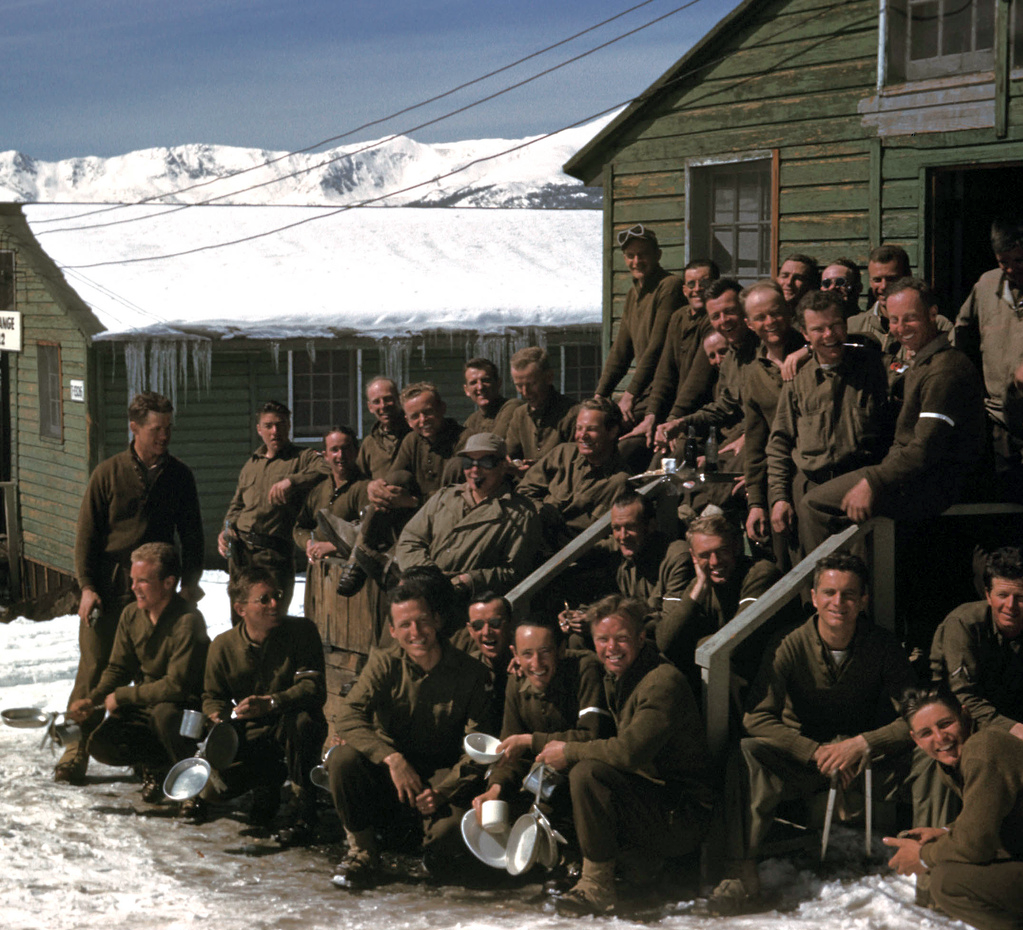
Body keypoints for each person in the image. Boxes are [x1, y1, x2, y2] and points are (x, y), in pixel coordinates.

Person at [710, 552, 915, 913]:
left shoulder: (882, 645)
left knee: (931, 752)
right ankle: (740, 874)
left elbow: (915, 717)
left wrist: (863, 743)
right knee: (748, 752)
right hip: (806, 762)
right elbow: (757, 717)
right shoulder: (789, 642)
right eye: (830, 592)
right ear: (814, 597)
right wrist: (815, 750)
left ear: (864, 599)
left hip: (864, 761)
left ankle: (931, 862)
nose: (839, 602)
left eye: (850, 594)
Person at [58, 391, 204, 785]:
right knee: (96, 670)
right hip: (109, 590)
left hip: (159, 591)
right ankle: (77, 750)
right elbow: (86, 537)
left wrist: (189, 585)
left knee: (152, 674)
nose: (164, 436)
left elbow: (192, 536)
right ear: (134, 428)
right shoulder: (108, 473)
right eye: (157, 429)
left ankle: (148, 755)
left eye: (169, 428)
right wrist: (87, 588)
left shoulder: (179, 476)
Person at [535, 595, 715, 915]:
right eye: (602, 640)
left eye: (621, 638)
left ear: (641, 638)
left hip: (683, 816)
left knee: (586, 772)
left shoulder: (662, 681)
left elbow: (630, 752)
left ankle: (597, 884)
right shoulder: (619, 674)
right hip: (652, 802)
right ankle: (621, 866)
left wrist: (569, 751)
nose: (611, 648)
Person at [328, 570, 492, 889]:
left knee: (451, 836)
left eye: (422, 621)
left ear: (437, 621)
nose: (415, 632)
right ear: (392, 630)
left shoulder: (470, 673)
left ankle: (426, 839)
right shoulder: (384, 663)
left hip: (440, 775)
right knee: (342, 759)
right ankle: (362, 850)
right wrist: (391, 758)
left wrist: (442, 792)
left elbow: (478, 747)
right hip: (391, 773)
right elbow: (348, 715)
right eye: (404, 625)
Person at [800, 278, 985, 551]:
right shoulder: (921, 362)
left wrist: (874, 481)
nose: (900, 329)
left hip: (935, 482)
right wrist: (805, 350)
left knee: (814, 504)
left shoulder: (945, 370)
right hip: (914, 474)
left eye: (910, 319)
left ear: (933, 314)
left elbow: (925, 448)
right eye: (894, 320)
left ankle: (823, 589)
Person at [67, 543, 209, 810]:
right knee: (102, 742)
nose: (134, 588)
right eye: (133, 580)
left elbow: (177, 685)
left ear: (168, 583)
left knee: (164, 717)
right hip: (149, 703)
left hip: (185, 709)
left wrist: (122, 696)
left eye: (143, 581)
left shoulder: (188, 621)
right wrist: (94, 699)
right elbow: (119, 669)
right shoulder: (132, 614)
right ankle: (158, 767)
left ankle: (193, 786)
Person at [202, 567, 328, 842]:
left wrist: (273, 702)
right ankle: (266, 787)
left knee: (304, 721)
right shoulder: (222, 646)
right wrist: (218, 717)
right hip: (250, 731)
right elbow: (213, 695)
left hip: (289, 724)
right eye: (264, 599)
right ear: (241, 608)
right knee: (212, 790)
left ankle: (304, 809)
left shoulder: (302, 632)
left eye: (277, 595)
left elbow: (313, 686)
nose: (275, 604)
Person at [884, 685, 1023, 930]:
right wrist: (947, 832)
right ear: (915, 739)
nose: (940, 738)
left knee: (949, 883)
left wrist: (923, 856)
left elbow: (975, 845)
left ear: (965, 715)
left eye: (946, 724)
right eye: (926, 733)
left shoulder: (984, 748)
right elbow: (992, 810)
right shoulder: (954, 760)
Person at [766, 289, 889, 559]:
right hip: (810, 489)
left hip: (858, 491)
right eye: (818, 329)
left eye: (835, 325)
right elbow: (779, 442)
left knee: (860, 580)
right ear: (804, 334)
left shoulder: (872, 369)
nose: (829, 336)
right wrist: (779, 498)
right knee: (814, 578)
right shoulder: (798, 381)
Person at [471, 615, 610, 852]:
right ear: (514, 653)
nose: (536, 663)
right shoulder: (516, 681)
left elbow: (592, 735)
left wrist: (530, 741)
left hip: (586, 784)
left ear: (561, 649)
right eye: (526, 654)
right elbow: (509, 751)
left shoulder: (584, 670)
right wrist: (495, 788)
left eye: (545, 652)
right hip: (543, 784)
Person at [394, 432, 541, 599]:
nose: (475, 470)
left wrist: (467, 581)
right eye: (468, 462)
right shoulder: (444, 497)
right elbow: (410, 538)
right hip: (423, 594)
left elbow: (515, 571)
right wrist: (428, 575)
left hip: (469, 605)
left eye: (486, 462)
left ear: (502, 466)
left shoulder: (520, 513)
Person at [218, 400, 327, 615]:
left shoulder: (301, 458)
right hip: (241, 554)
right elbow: (237, 504)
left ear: (289, 426)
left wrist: (292, 482)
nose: (275, 431)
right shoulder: (252, 464)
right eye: (268, 426)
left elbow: (326, 467)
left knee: (271, 617)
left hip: (272, 555)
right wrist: (226, 528)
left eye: (280, 424)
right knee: (240, 616)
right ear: (259, 430)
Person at [655, 514, 782, 691]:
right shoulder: (700, 584)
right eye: (705, 555)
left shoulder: (759, 573)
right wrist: (699, 588)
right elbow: (665, 642)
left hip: (769, 672)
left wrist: (700, 645)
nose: (715, 562)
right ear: (693, 556)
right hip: (731, 672)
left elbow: (739, 642)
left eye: (721, 551)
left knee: (705, 648)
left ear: (736, 547)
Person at [953, 216, 1023, 500]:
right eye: (1002, 261)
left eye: (1019, 260)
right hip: (997, 417)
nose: (1010, 269)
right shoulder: (986, 285)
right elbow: (961, 332)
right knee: (1003, 495)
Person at [738, 280, 807, 559]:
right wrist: (756, 502)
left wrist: (810, 349)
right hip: (778, 477)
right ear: (749, 324)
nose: (770, 322)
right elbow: (755, 444)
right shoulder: (752, 374)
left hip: (813, 473)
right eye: (760, 317)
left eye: (776, 313)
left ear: (788, 312)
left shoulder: (814, 352)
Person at [654, 278, 759, 456]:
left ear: (744, 310)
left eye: (730, 312)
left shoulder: (766, 348)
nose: (724, 321)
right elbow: (724, 407)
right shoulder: (731, 359)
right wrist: (680, 423)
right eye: (715, 316)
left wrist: (747, 436)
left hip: (760, 439)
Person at [595, 225, 684, 430]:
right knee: (592, 422)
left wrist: (629, 395)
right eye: (630, 256)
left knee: (614, 432)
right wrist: (600, 394)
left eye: (643, 255)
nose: (636, 262)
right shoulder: (633, 294)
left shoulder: (669, 286)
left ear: (658, 255)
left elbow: (657, 346)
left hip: (665, 389)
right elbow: (621, 350)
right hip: (644, 390)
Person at [629, 259, 720, 451]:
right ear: (684, 290)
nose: (697, 289)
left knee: (666, 462)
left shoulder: (714, 322)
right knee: (627, 447)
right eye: (691, 284)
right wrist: (652, 414)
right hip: (673, 414)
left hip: (700, 417)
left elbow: (698, 381)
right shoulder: (678, 317)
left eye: (704, 284)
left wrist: (673, 421)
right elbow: (665, 372)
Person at [517, 397, 631, 550]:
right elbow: (523, 492)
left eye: (591, 429)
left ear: (612, 432)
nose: (582, 435)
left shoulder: (620, 483)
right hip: (535, 539)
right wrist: (542, 512)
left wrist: (581, 549)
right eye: (579, 428)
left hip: (576, 561)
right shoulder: (562, 454)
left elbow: (617, 540)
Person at [848, 246, 952, 377]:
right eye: (877, 280)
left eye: (892, 279)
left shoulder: (939, 325)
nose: (884, 286)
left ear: (908, 277)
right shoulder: (853, 326)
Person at [292, 425, 366, 563]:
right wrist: (309, 542)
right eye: (334, 450)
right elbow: (300, 527)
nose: (341, 455)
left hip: (352, 572)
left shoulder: (364, 488)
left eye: (346, 449)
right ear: (325, 455)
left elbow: (370, 534)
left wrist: (334, 547)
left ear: (356, 451)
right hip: (320, 573)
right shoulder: (319, 490)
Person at [503, 346, 580, 476]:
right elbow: (509, 453)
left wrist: (540, 469)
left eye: (531, 384)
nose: (525, 393)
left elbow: (577, 464)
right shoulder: (520, 414)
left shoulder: (573, 414)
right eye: (519, 386)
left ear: (549, 377)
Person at [450, 593, 515, 729]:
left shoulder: (529, 663)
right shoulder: (466, 668)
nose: (486, 632)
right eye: (478, 626)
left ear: (510, 623)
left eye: (495, 623)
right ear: (470, 630)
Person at [355, 376, 410, 480]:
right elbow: (360, 481)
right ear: (370, 407)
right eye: (376, 402)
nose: (383, 406)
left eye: (388, 399)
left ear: (399, 399)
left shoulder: (414, 434)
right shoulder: (369, 444)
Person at [461, 357, 520, 437]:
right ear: (466, 390)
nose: (480, 387)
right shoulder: (472, 420)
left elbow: (495, 443)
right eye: (473, 383)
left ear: (498, 383)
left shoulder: (513, 407)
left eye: (485, 380)